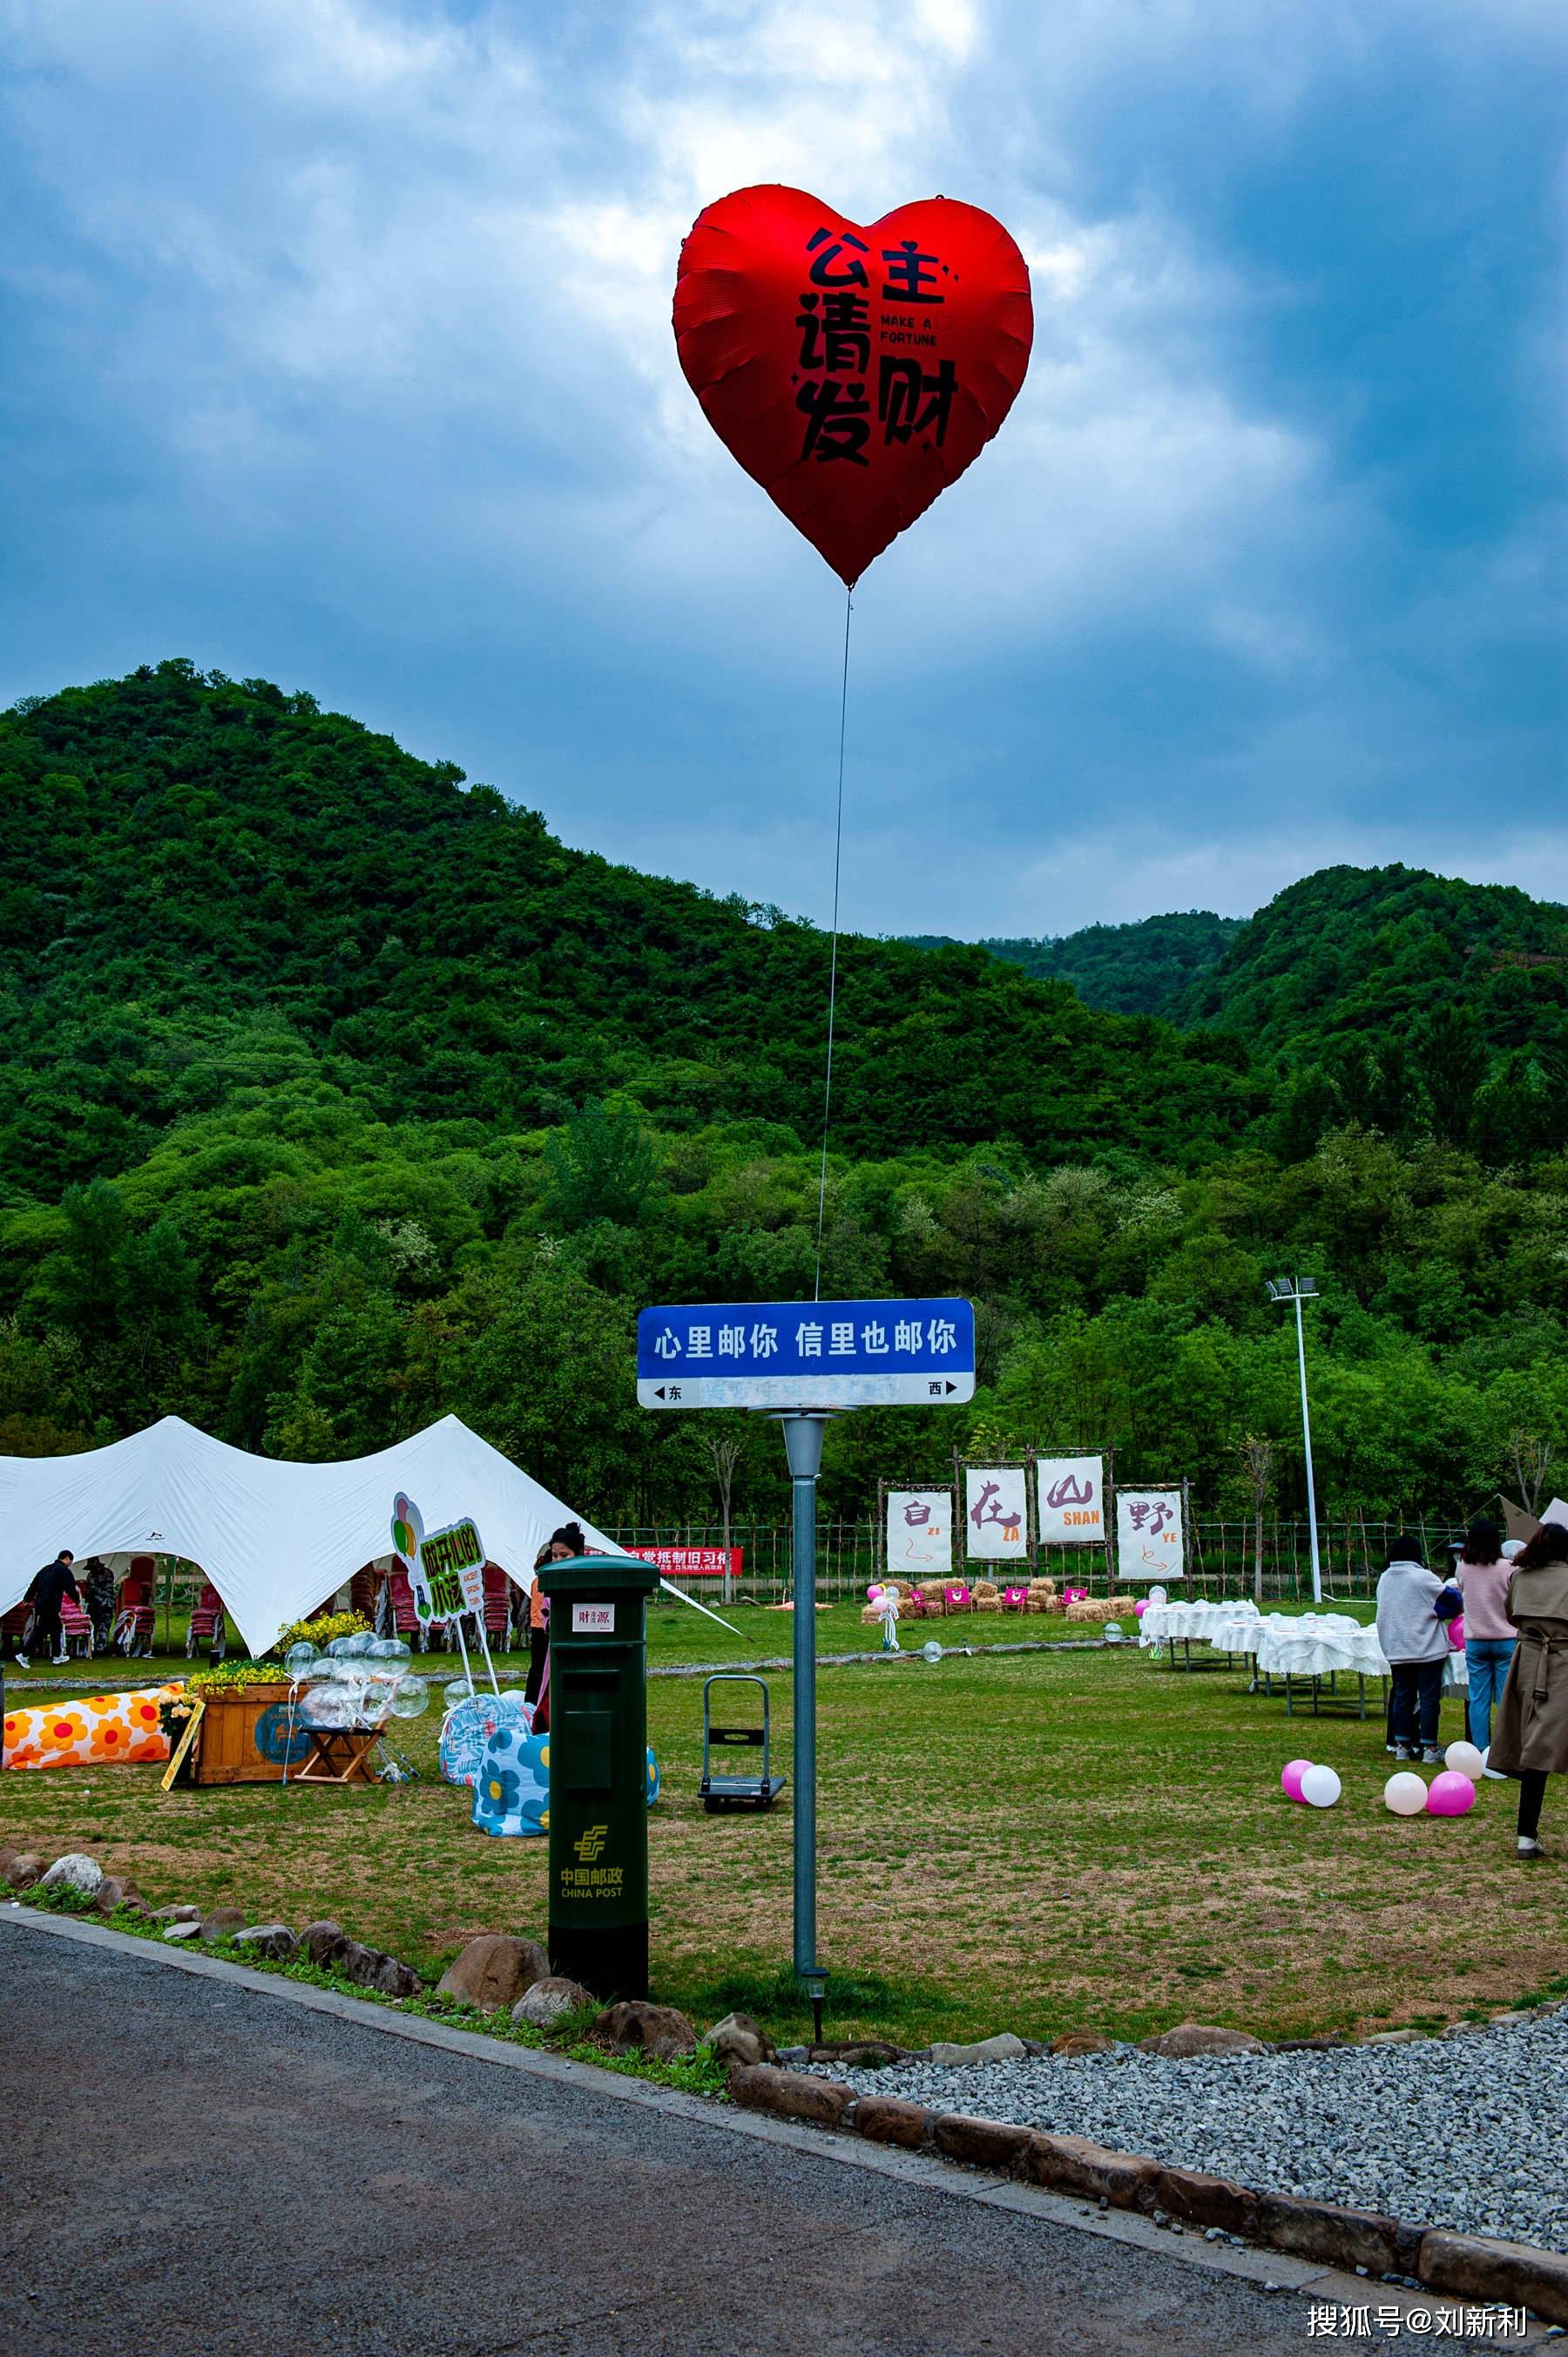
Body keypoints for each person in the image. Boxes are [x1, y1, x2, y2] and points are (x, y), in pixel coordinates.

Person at [1488, 1521, 1568, 1860]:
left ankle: (1526, 1834)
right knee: (1550, 1743)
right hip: (1563, 1661)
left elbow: (1511, 1617)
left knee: (1533, 1749)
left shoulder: (1519, 1577)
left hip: (1529, 1661)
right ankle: (1526, 1835)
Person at [1375, 1535, 1450, 1764]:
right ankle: (1429, 1747)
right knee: (1428, 1698)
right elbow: (1451, 1601)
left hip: (1397, 1648)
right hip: (1425, 1647)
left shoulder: (1385, 1578)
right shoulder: (1421, 1576)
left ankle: (1402, 1745)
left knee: (1402, 1697)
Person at [1455, 1518, 1515, 1771]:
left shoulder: (1463, 1567)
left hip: (1476, 1640)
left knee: (1478, 1698)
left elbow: (1461, 1591)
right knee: (1505, 1699)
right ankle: (1503, 1751)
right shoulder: (1508, 1567)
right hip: (1505, 1639)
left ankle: (1479, 1749)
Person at [524, 1524, 585, 1710]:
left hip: (572, 1635)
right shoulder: (545, 1579)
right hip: (544, 1629)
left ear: (579, 1553)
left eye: (564, 1555)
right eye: (555, 1555)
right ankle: (533, 1708)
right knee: (540, 1671)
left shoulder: (583, 1578)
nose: (558, 1560)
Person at [17, 1549, 79, 1669]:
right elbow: (70, 1587)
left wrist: (27, 1599)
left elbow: (34, 1584)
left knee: (56, 1628)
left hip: (42, 1604)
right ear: (67, 1559)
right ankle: (24, 1654)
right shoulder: (63, 1571)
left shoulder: (45, 1569)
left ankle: (57, 1656)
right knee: (41, 1632)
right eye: (70, 1561)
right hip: (51, 1604)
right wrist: (76, 1600)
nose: (70, 1563)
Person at [79, 1555, 116, 1654]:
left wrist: (90, 1592)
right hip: (98, 1604)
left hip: (104, 1603)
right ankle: (97, 1646)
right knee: (98, 1626)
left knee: (102, 1626)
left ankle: (99, 1647)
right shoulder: (94, 1575)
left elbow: (103, 1589)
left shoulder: (103, 1574)